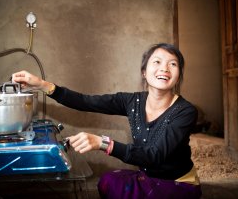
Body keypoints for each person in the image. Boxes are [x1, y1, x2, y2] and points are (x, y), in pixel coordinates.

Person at [12, 43, 202, 199]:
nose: (164, 68)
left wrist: (103, 143)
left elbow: (154, 155)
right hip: (149, 177)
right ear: (144, 72)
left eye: (173, 64)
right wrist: (42, 85)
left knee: (121, 189)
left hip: (179, 183)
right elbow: (85, 101)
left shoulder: (185, 111)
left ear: (178, 76)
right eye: (157, 62)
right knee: (108, 182)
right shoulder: (132, 101)